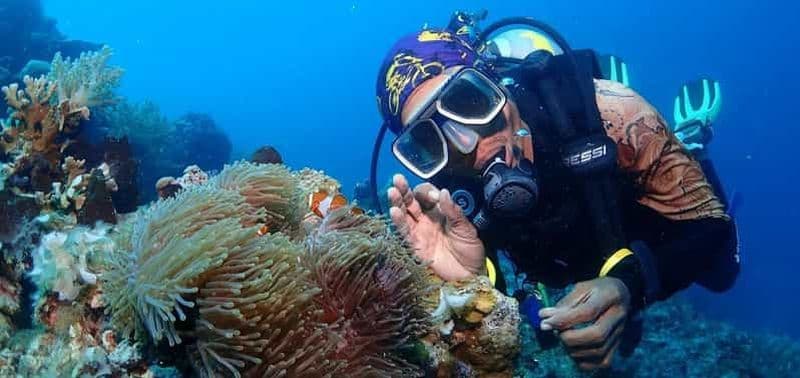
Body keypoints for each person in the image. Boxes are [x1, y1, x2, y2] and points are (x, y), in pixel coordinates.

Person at [372, 15, 739, 370]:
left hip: (640, 228)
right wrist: (471, 284)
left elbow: (710, 226)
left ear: (493, 80)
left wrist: (631, 284)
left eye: (468, 100)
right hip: (567, 267)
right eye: (427, 139)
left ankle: (691, 138)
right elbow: (492, 310)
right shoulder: (445, 202)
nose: (467, 145)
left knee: (722, 275)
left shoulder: (614, 112)